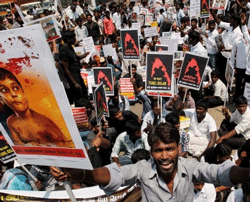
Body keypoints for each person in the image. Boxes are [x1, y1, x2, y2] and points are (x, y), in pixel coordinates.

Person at [51, 122, 250, 201]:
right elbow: (116, 175)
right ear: (151, 152)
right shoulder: (142, 169)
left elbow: (219, 173)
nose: (164, 156)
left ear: (178, 149)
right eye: (158, 151)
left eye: (169, 149)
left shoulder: (191, 167)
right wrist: (81, 174)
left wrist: (247, 174)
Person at [0, 68, 73, 147]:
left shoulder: (45, 124)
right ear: (1, 99)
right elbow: (18, 145)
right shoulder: (11, 121)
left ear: (23, 92)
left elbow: (65, 148)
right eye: (4, 90)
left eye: (15, 88)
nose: (14, 94)